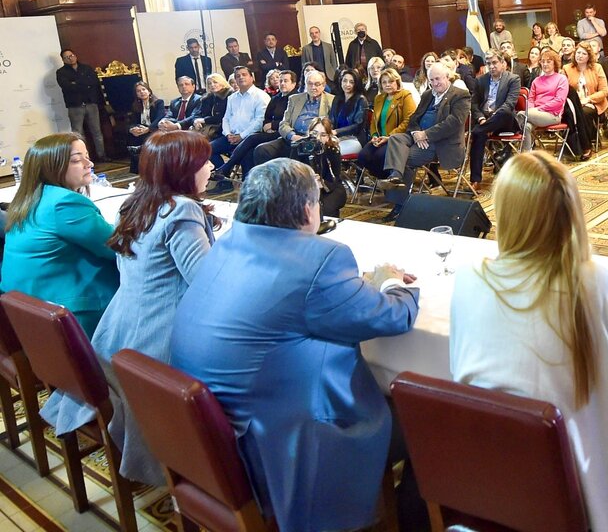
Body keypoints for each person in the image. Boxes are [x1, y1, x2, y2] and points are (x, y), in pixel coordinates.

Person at [170, 158, 419, 532]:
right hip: (273, 447)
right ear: (307, 208)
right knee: (421, 424)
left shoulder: (227, 244)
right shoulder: (321, 258)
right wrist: (394, 284)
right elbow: (391, 317)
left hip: (206, 431)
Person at [450, 150, 608, 532]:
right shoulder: (591, 282)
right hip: (577, 500)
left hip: (491, 485)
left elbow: (464, 375)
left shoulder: (470, 278)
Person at [40, 130, 218, 486]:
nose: (211, 167)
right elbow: (208, 285)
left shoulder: (137, 203)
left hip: (119, 331)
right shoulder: (181, 210)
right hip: (159, 337)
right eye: (204, 161)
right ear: (183, 169)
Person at [1, 132, 118, 337]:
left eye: (87, 155)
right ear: (52, 167)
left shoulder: (28, 198)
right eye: (76, 160)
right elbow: (118, 247)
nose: (89, 163)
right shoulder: (64, 202)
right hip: (69, 313)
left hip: (29, 311)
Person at [381, 63, 470, 221]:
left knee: (405, 159)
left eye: (438, 79)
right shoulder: (428, 94)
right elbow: (414, 118)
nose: (435, 83)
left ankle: (400, 206)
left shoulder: (460, 95)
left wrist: (426, 135)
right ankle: (395, 176)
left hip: (440, 143)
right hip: (418, 136)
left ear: (447, 77)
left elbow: (454, 123)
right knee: (395, 138)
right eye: (432, 80)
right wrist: (416, 133)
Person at [215, 70, 297, 180]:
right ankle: (232, 177)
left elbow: (291, 120)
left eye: (285, 81)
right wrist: (266, 126)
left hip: (285, 132)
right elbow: (266, 117)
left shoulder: (297, 98)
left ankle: (227, 168)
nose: (282, 83)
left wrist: (272, 125)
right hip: (269, 132)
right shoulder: (276, 98)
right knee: (210, 147)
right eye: (280, 80)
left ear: (294, 83)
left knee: (251, 139)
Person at [253, 71, 335, 166]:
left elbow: (331, 125)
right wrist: (293, 136)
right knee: (262, 150)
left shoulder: (331, 100)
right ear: (305, 84)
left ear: (323, 85)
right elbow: (284, 124)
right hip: (292, 137)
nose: (313, 87)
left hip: (312, 140)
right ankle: (270, 180)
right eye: (310, 83)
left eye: (317, 84)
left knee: (300, 155)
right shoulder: (294, 99)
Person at [469, 49, 521, 188]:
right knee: (479, 135)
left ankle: (480, 130)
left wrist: (491, 120)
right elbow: (473, 103)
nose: (491, 66)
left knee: (504, 113)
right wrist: (481, 119)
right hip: (484, 121)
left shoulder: (513, 79)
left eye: (494, 63)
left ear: (503, 63)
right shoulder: (481, 80)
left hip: (504, 120)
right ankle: (475, 180)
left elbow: (509, 104)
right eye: (488, 63)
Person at [357, 68, 417, 179]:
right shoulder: (379, 98)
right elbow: (374, 121)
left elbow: (409, 120)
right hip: (380, 139)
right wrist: (375, 136)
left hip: (396, 139)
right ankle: (383, 179)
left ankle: (389, 182)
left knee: (380, 156)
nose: (387, 85)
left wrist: (389, 137)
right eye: (384, 82)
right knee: (363, 156)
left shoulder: (405, 95)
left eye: (390, 81)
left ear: (397, 82)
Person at [210, 66, 270, 176]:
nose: (241, 77)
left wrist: (241, 136)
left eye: (244, 74)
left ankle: (246, 187)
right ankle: (224, 179)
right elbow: (226, 118)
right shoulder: (232, 98)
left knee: (246, 157)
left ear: (252, 78)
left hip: (249, 138)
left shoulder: (261, 96)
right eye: (238, 76)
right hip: (231, 137)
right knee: (207, 149)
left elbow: (259, 121)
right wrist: (228, 134)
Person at [56, 49, 107, 161]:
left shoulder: (86, 68)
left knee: (97, 131)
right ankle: (83, 157)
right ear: (63, 60)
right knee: (78, 134)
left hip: (91, 104)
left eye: (72, 55)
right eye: (67, 57)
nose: (70, 58)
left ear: (75, 55)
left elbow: (93, 83)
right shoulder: (61, 72)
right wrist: (83, 84)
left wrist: (76, 83)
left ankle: (102, 156)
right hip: (75, 106)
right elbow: (67, 86)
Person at [563, 41, 608, 160]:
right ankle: (576, 145)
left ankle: (585, 146)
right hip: (573, 104)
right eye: (578, 53)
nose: (580, 56)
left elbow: (604, 91)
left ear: (589, 56)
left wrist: (588, 99)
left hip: (594, 103)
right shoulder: (567, 68)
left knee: (584, 113)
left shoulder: (597, 68)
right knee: (574, 113)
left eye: (583, 53)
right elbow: (563, 89)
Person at [522, 49, 568, 152]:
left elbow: (559, 100)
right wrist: (532, 109)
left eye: (548, 61)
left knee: (521, 115)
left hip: (553, 115)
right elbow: (530, 99)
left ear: (554, 63)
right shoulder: (536, 80)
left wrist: (539, 109)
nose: (545, 64)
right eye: (543, 61)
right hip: (534, 114)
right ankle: (527, 154)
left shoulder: (561, 79)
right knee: (526, 126)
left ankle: (507, 139)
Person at [329, 68, 370, 156]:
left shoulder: (361, 100)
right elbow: (331, 119)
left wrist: (336, 131)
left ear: (356, 84)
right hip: (336, 138)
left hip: (355, 139)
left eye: (351, 82)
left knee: (331, 152)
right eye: (345, 81)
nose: (347, 84)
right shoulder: (337, 98)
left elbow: (357, 126)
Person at [182, 73, 232, 138]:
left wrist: (204, 120)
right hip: (206, 128)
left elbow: (222, 117)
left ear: (222, 83)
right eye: (209, 83)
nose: (212, 85)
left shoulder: (230, 95)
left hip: (223, 129)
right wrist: (195, 121)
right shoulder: (207, 98)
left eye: (215, 82)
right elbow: (198, 113)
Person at [127, 81, 166, 153]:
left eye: (143, 89)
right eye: (138, 91)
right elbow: (132, 122)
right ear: (136, 94)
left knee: (145, 138)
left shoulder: (158, 102)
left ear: (149, 91)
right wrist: (132, 129)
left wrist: (148, 129)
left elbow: (160, 117)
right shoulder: (135, 106)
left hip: (153, 129)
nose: (142, 92)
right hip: (141, 130)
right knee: (131, 137)